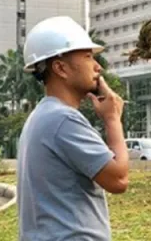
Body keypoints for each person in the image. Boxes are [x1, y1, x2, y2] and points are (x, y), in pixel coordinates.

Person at [16, 16, 129, 241]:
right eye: (87, 57)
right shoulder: (63, 120)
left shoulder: (41, 116)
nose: (98, 67)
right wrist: (112, 119)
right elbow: (118, 180)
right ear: (60, 68)